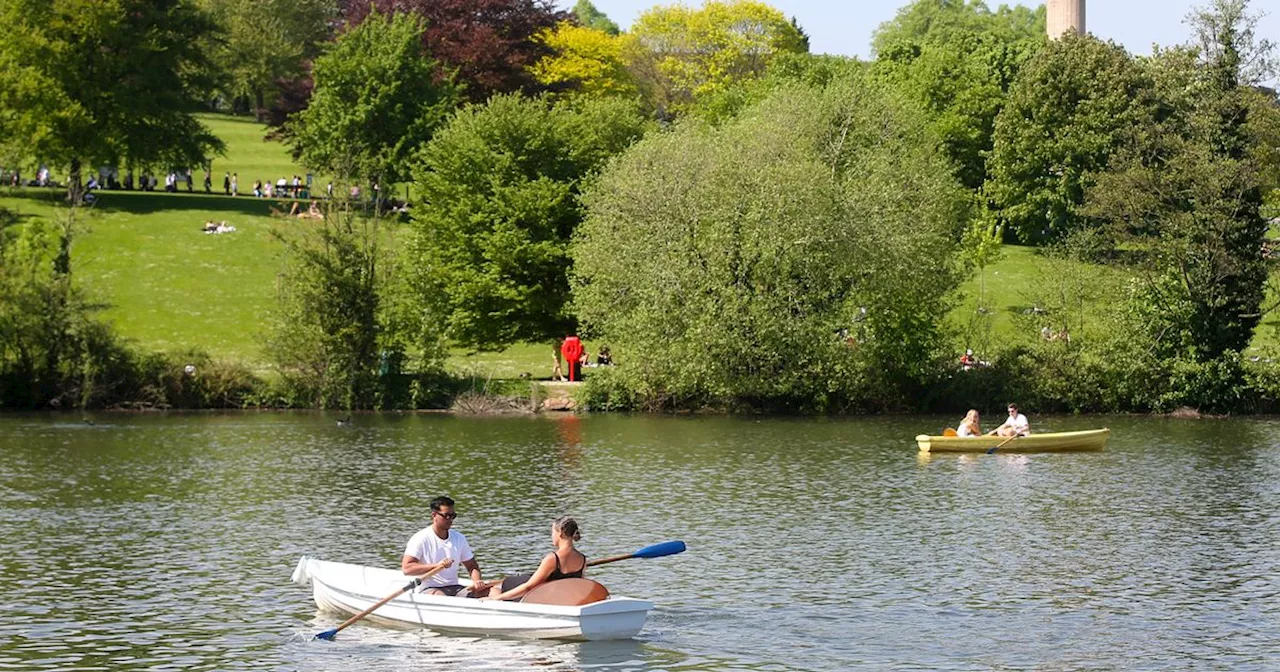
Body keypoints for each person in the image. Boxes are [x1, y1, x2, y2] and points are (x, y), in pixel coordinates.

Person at [482, 517, 586, 602]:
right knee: (508, 583)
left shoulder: (552, 558)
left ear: (560, 533)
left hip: (542, 598)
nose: (551, 536)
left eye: (552, 532)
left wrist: (495, 598)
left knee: (494, 590)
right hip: (560, 597)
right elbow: (577, 585)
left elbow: (528, 587)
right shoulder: (582, 559)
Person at [401, 496, 487, 597]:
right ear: (434, 515)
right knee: (440, 596)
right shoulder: (420, 538)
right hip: (430, 588)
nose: (450, 519)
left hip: (454, 587)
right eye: (446, 516)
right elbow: (407, 568)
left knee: (493, 592)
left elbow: (472, 566)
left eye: (452, 516)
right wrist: (437, 566)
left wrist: (477, 581)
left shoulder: (459, 538)